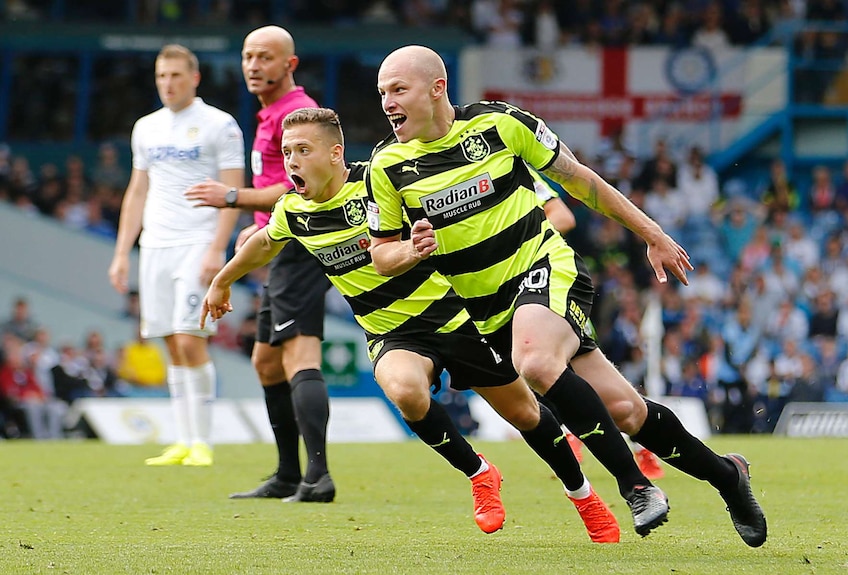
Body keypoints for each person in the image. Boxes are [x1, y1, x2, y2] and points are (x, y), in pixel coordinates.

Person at [367, 45, 767, 547]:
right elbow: (381, 254)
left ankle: (635, 487)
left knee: (533, 361)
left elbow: (580, 181)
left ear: (437, 88)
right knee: (625, 412)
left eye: (398, 89)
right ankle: (729, 477)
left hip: (546, 269)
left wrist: (652, 234)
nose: (387, 101)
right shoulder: (386, 164)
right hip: (491, 310)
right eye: (382, 92)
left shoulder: (500, 125)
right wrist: (410, 250)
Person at [200, 107, 620, 542]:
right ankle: (480, 474)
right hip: (391, 333)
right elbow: (262, 245)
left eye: (303, 150)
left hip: (456, 316)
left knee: (526, 414)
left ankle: (584, 496)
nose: (291, 161)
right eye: (287, 152)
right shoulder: (293, 211)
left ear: (335, 154)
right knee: (404, 391)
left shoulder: (379, 181)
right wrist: (221, 282)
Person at [184, 25, 334, 501]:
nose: (253, 65)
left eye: (265, 57)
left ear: (289, 64)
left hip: (300, 242)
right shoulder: (271, 113)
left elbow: (295, 186)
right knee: (266, 361)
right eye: (248, 56)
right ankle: (289, 474)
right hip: (278, 239)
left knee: (299, 354)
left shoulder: (295, 113)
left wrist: (231, 197)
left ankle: (318, 478)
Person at [107, 44, 245, 466]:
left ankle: (202, 441)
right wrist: (121, 253)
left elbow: (232, 190)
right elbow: (137, 191)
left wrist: (217, 248)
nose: (168, 84)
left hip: (197, 243)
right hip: (155, 247)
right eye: (161, 77)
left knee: (191, 338)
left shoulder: (220, 125)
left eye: (176, 76)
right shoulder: (146, 127)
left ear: (195, 78)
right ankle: (183, 440)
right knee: (170, 341)